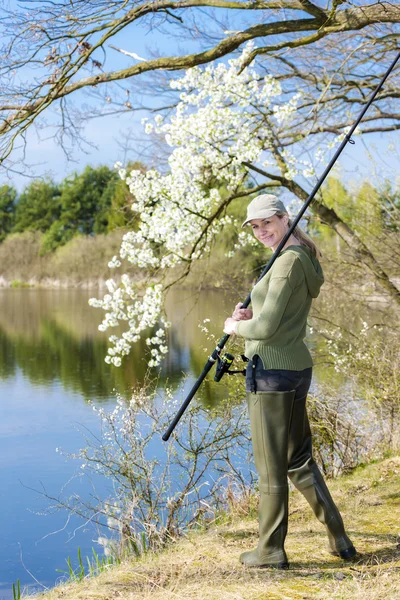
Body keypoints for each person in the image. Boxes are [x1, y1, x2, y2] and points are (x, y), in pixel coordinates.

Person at [223, 194, 356, 569]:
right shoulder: (304, 257)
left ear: (285, 218)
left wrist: (235, 327)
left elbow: (265, 329)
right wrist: (251, 313)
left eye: (268, 223)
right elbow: (274, 315)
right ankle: (339, 539)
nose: (262, 231)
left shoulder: (284, 264)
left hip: (272, 373)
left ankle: (269, 550)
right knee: (299, 460)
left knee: (270, 467)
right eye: (255, 227)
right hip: (296, 369)